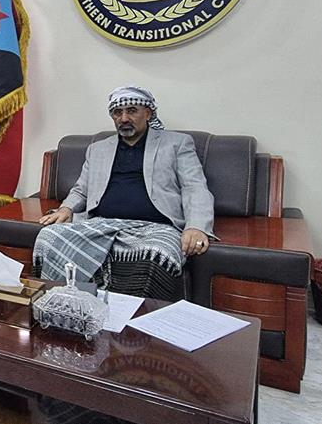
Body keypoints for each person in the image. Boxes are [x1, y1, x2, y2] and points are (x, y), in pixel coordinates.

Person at [34, 86, 214, 287]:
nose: (124, 118)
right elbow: (81, 189)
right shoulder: (97, 149)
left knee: (157, 253)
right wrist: (66, 208)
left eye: (132, 111)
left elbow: (194, 187)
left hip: (156, 227)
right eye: (118, 113)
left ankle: (135, 307)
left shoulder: (177, 143)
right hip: (101, 224)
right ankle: (65, 301)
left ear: (148, 113)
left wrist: (196, 226)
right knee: (48, 237)